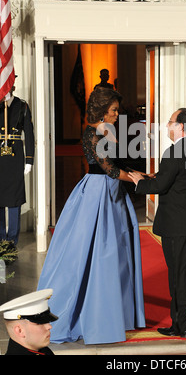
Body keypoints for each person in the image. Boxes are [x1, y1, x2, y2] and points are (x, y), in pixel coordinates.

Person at [37, 87, 145, 345]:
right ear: (101, 109)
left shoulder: (113, 130)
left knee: (118, 254)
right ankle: (83, 313)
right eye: (114, 110)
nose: (117, 114)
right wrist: (135, 179)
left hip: (115, 194)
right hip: (96, 194)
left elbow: (118, 165)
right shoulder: (91, 133)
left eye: (117, 110)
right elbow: (107, 169)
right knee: (96, 253)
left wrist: (141, 175)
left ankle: (117, 312)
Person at [129, 108, 186, 338]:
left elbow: (160, 187)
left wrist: (139, 182)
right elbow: (182, 179)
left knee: (178, 275)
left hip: (177, 225)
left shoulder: (173, 152)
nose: (167, 126)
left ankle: (182, 326)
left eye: (170, 122)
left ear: (181, 127)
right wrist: (157, 176)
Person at [0, 84, 34, 247]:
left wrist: (29, 160)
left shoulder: (22, 106)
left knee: (14, 200)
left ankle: (11, 243)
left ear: (13, 86)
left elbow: (28, 133)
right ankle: (0, 241)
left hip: (15, 157)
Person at [0, 289, 58, 355]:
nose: (49, 326)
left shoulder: (43, 350)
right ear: (20, 331)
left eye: (46, 321)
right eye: (40, 323)